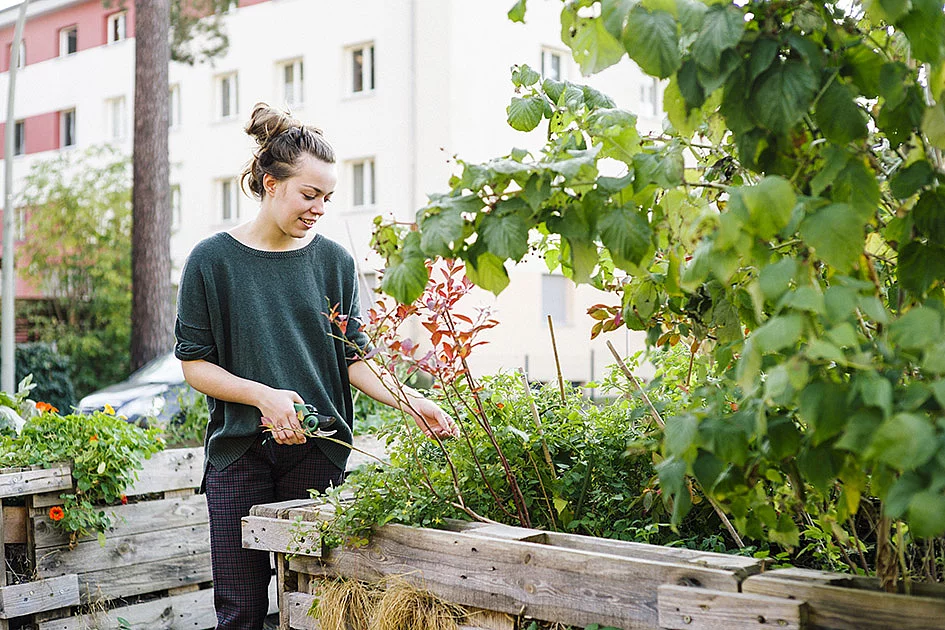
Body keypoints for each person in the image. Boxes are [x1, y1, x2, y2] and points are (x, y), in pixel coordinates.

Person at [174, 102, 458, 630]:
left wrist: (410, 399)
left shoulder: (334, 262)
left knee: (313, 610)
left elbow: (353, 359)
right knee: (240, 612)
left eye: (327, 197)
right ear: (269, 182)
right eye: (309, 194)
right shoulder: (211, 261)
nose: (320, 207)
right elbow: (195, 364)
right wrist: (264, 396)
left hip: (318, 455)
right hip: (239, 456)